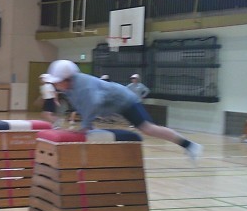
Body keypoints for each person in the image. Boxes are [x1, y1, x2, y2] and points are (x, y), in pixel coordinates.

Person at [42, 60, 202, 163]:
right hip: (116, 104)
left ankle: (190, 145)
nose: (55, 85)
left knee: (148, 128)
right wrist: (87, 125)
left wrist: (86, 125)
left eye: (57, 82)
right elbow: (84, 106)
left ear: (68, 79)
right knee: (91, 131)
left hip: (126, 101)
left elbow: (93, 103)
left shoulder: (84, 85)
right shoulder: (70, 88)